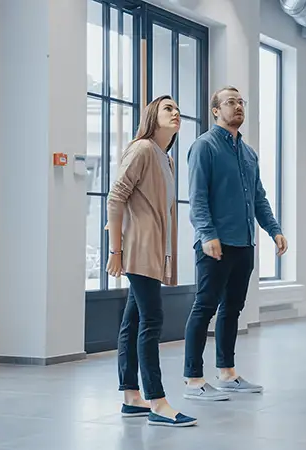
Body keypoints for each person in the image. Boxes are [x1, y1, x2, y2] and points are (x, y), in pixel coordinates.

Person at [182, 86, 288, 400]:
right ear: (216, 110)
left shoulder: (249, 153)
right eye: (231, 102)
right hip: (215, 244)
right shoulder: (204, 147)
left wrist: (274, 230)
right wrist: (207, 235)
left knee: (233, 308)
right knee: (204, 309)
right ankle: (193, 380)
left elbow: (258, 198)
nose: (238, 106)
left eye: (241, 101)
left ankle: (227, 373)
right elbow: (197, 198)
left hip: (244, 244)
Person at [106, 95, 197, 426]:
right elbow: (116, 197)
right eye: (167, 108)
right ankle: (158, 401)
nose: (175, 113)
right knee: (152, 320)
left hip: (154, 251)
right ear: (152, 117)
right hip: (138, 249)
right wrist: (115, 251)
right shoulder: (143, 149)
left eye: (177, 109)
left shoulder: (165, 158)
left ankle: (132, 397)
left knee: (134, 320)